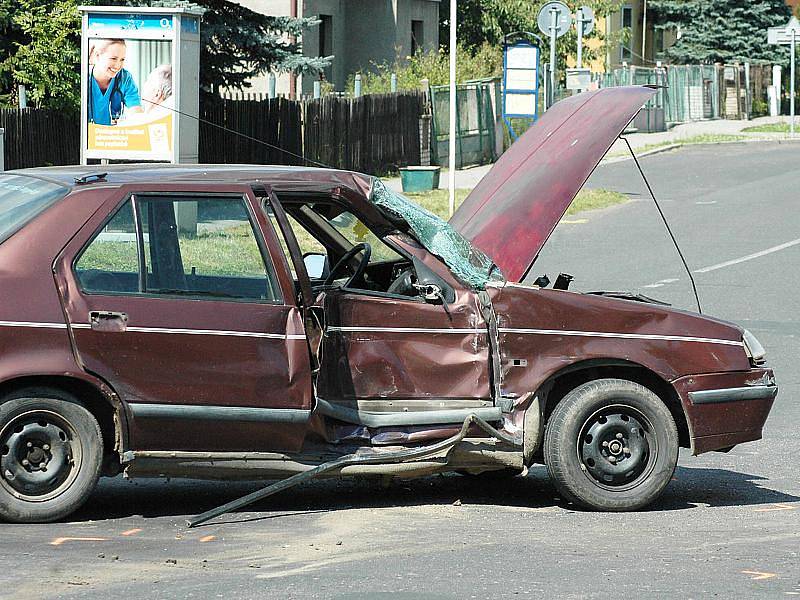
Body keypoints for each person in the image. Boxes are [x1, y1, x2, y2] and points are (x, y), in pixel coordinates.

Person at [88, 39, 142, 125]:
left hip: (113, 136)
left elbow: (137, 114)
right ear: (97, 56)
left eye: (122, 59)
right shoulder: (83, 78)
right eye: (113, 58)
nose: (118, 65)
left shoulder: (124, 78)